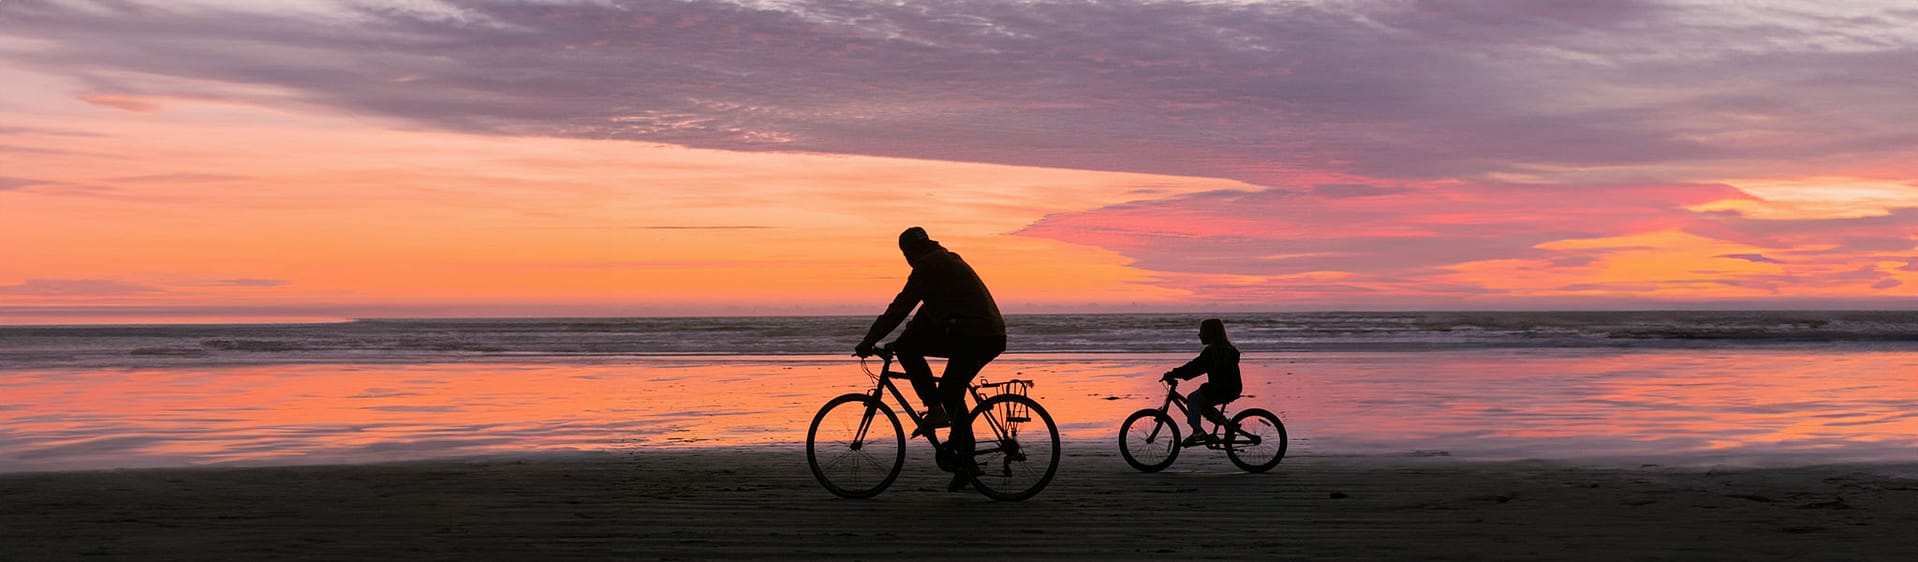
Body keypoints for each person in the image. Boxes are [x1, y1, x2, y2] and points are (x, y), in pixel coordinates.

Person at [854, 226, 1007, 491]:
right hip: (982, 333)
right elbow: (926, 314)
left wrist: (869, 341)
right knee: (950, 390)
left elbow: (901, 307)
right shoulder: (943, 260)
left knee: (946, 389)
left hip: (976, 335)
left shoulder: (928, 266)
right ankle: (965, 463)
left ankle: (935, 411)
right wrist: (899, 341)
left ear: (909, 252)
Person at [1162, 318, 1242, 447]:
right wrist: (1179, 373)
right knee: (1203, 405)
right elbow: (1196, 367)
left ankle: (1197, 431)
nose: (1199, 335)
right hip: (1232, 388)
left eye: (1202, 331)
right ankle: (1228, 425)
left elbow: (1194, 368)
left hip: (1220, 388)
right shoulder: (1228, 350)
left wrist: (1174, 373)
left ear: (1210, 333)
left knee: (1193, 399)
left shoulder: (1212, 352)